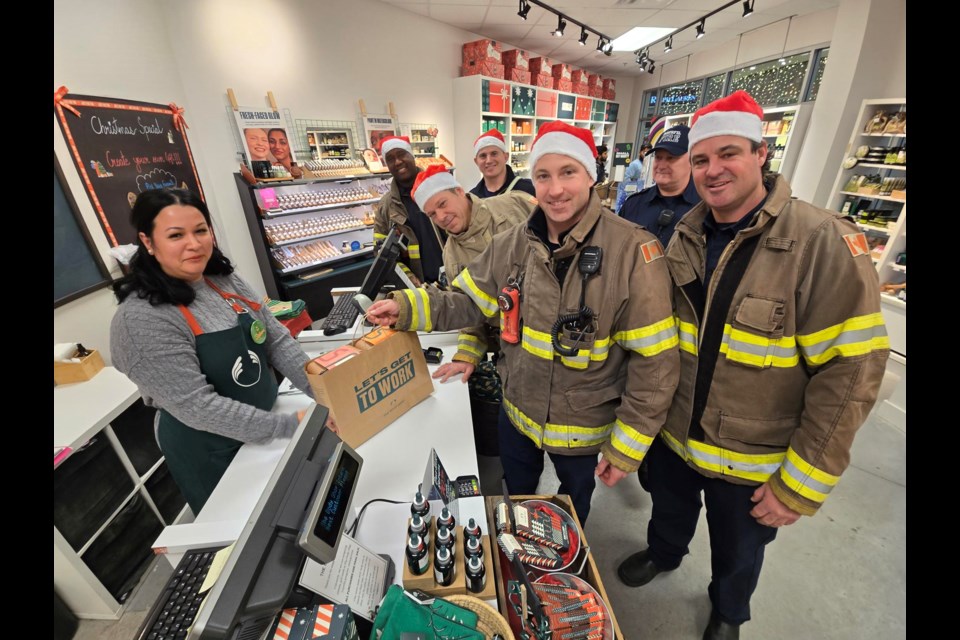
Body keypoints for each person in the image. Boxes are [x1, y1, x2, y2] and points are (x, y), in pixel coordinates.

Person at [616, 91, 889, 640]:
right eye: (700, 159)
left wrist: (801, 483)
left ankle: (728, 611)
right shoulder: (683, 239)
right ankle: (665, 553)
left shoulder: (822, 242)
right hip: (675, 435)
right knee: (668, 511)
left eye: (728, 154)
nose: (712, 170)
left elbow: (852, 374)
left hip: (752, 455)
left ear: (760, 154)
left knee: (739, 549)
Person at [366, 121, 680, 523]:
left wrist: (627, 447)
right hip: (517, 412)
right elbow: (468, 302)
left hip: (583, 427)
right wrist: (407, 307)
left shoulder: (634, 250)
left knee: (572, 509)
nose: (555, 189)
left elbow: (655, 362)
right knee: (515, 499)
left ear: (590, 175)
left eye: (568, 172)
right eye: (543, 176)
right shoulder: (511, 243)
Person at [110, 189, 315, 514]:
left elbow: (276, 341)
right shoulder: (141, 318)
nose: (194, 244)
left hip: (267, 422)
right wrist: (287, 427)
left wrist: (324, 389)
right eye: (176, 235)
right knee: (247, 530)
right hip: (212, 449)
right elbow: (197, 406)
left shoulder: (224, 281)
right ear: (148, 242)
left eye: (200, 230)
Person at [409, 164, 536, 383]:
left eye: (442, 204)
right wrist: (467, 356)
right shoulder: (451, 255)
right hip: (512, 349)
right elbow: (467, 308)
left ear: (459, 191)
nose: (441, 217)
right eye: (432, 214)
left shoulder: (515, 204)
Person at [373, 135, 446, 284]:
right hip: (420, 288)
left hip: (453, 277)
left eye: (401, 154)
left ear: (411, 155)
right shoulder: (386, 207)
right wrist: (409, 277)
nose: (398, 162)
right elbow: (381, 253)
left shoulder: (440, 188)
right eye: (391, 159)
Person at [620, 125, 700, 247]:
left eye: (671, 158)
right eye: (658, 157)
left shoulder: (705, 208)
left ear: (692, 160)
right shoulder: (633, 205)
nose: (661, 166)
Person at [469, 129, 536, 199]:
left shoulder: (529, 189)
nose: (488, 161)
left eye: (494, 154)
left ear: (505, 157)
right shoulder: (473, 198)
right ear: (476, 162)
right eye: (483, 156)